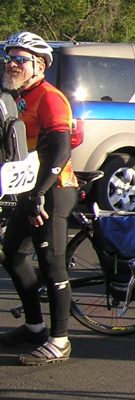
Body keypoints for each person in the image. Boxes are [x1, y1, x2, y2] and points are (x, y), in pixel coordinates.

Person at [0, 32, 79, 365]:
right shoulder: (15, 97)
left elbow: (61, 150)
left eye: (21, 59)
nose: (12, 64)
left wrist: (39, 194)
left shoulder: (49, 97)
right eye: (9, 58)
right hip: (27, 189)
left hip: (53, 189)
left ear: (40, 66)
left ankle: (60, 341)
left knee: (51, 265)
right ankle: (34, 327)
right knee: (13, 257)